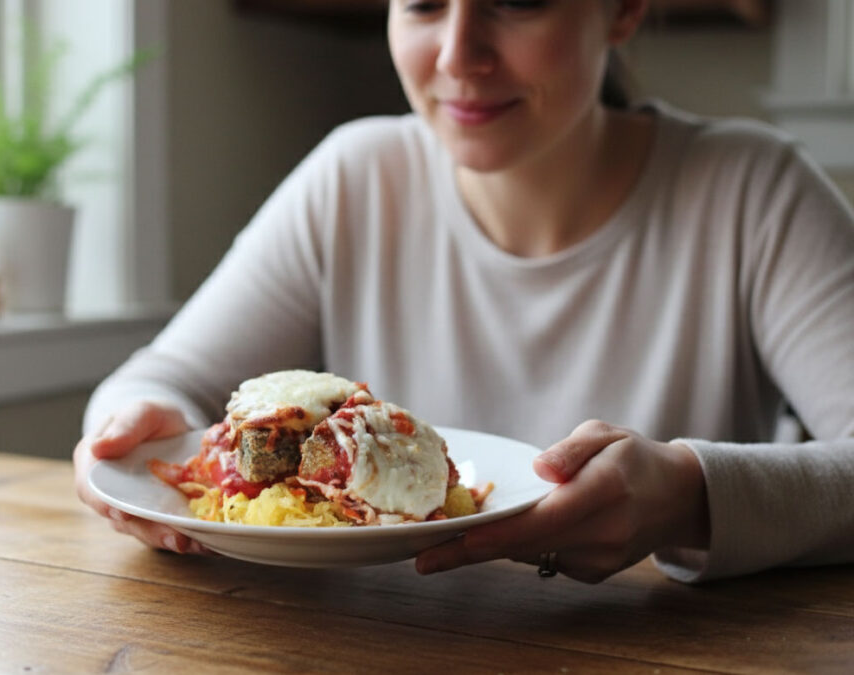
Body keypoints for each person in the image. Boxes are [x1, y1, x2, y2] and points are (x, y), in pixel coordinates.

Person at [74, 0, 854, 584]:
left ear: (622, 10)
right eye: (421, 2)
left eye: (514, 0)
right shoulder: (352, 178)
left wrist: (691, 493)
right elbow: (157, 382)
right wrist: (138, 427)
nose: (457, 53)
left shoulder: (758, 192)